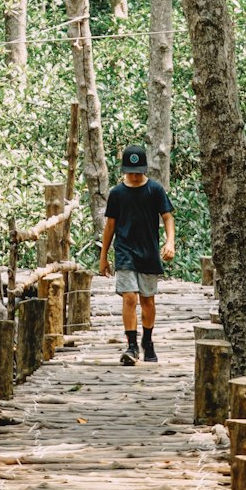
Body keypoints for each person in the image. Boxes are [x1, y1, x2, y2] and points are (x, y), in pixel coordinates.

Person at [98, 144, 174, 364]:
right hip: (125, 251)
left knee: (147, 300)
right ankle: (131, 346)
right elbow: (110, 226)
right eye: (130, 171)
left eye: (137, 171)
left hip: (148, 252)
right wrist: (103, 257)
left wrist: (170, 242)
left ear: (144, 170)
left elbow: (168, 217)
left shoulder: (155, 190)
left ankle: (147, 341)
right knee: (129, 296)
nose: (133, 175)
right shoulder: (117, 193)